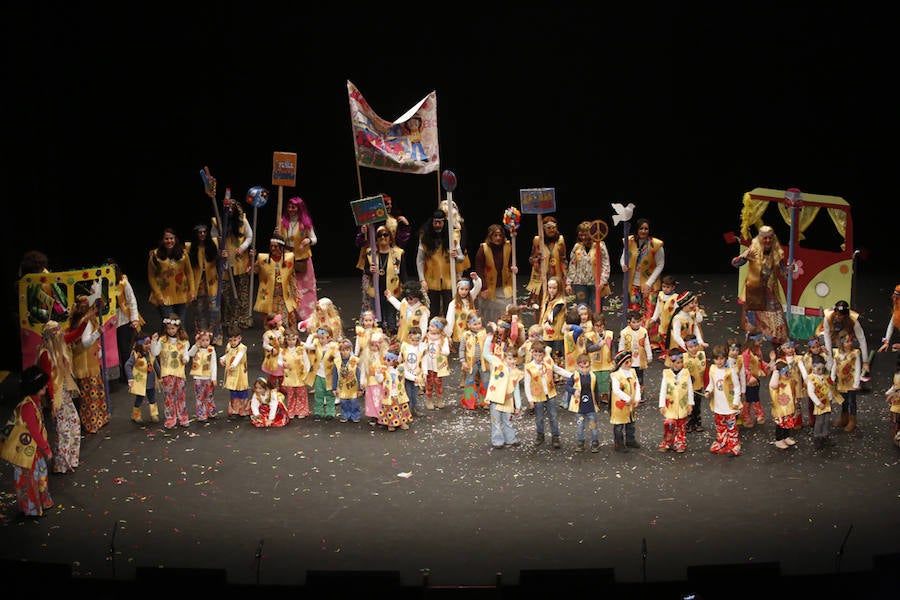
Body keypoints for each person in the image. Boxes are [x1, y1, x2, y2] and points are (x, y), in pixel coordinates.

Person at [0, 366, 53, 518]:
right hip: (25, 454)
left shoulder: (35, 402)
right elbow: (34, 431)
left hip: (33, 452)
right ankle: (32, 509)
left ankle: (42, 503)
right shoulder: (28, 406)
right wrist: (46, 448)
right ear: (35, 386)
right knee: (28, 481)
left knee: (40, 477)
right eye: (42, 384)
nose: (45, 386)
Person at [34, 320, 83, 473]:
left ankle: (71, 460)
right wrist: (52, 402)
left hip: (64, 391)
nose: (62, 337)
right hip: (56, 395)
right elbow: (47, 380)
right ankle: (61, 464)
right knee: (63, 430)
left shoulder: (59, 344)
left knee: (74, 422)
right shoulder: (46, 355)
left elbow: (75, 334)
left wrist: (87, 318)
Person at [730, 225, 788, 344]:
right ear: (760, 238)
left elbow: (783, 270)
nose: (767, 240)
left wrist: (787, 271)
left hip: (770, 292)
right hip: (754, 293)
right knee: (752, 324)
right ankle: (750, 350)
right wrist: (743, 256)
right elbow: (735, 263)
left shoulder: (776, 252)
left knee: (777, 323)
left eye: (770, 238)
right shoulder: (753, 250)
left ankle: (780, 349)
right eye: (765, 238)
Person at [67, 296, 110, 435]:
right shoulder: (85, 322)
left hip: (91, 362)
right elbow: (85, 343)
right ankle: (91, 423)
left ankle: (98, 419)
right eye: (96, 308)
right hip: (85, 365)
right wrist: (98, 333)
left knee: (95, 392)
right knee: (89, 396)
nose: (98, 311)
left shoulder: (89, 320)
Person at [620, 218, 665, 349]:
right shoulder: (629, 241)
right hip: (633, 283)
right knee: (635, 312)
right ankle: (635, 339)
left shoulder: (655, 244)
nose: (643, 231)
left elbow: (660, 264)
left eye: (646, 228)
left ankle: (651, 342)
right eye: (641, 228)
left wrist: (649, 283)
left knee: (650, 313)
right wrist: (623, 264)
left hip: (650, 284)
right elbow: (624, 256)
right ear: (637, 229)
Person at [357, 224, 406, 336]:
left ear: (390, 237)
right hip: (376, 292)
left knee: (391, 319)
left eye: (385, 235)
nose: (383, 237)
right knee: (378, 320)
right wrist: (370, 270)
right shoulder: (370, 252)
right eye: (379, 235)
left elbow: (403, 273)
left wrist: (407, 290)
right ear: (376, 238)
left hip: (392, 291)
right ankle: (379, 342)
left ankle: (392, 341)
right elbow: (366, 270)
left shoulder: (398, 253)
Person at [523, 339, 572, 449]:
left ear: (544, 354)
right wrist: (530, 399)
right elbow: (527, 384)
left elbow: (559, 370)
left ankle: (555, 436)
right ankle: (540, 435)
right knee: (539, 417)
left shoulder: (548, 363)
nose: (538, 357)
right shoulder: (529, 367)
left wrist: (572, 375)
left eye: (540, 354)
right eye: (535, 354)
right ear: (532, 353)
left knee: (553, 416)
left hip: (550, 394)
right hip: (537, 396)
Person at [416, 208, 465, 318]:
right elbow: (419, 260)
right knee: (433, 310)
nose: (437, 225)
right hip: (431, 279)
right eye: (435, 222)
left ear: (444, 222)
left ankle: (449, 332)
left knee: (450, 308)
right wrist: (422, 279)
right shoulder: (424, 237)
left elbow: (461, 258)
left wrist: (456, 257)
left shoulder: (453, 236)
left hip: (449, 279)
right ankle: (433, 332)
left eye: (440, 222)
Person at [482, 331, 524, 450]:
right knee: (496, 421)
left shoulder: (516, 372)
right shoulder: (497, 363)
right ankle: (497, 440)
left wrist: (518, 405)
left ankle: (510, 438)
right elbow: (486, 354)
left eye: (515, 359)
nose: (513, 362)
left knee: (508, 420)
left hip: (508, 400)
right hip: (496, 398)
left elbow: (515, 389)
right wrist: (488, 340)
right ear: (505, 357)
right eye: (510, 359)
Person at [280, 195, 319, 321]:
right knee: (290, 286)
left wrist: (307, 240)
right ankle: (293, 315)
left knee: (305, 288)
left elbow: (314, 239)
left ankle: (307, 314)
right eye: (289, 207)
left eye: (294, 207)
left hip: (302, 258)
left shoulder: (305, 223)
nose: (291, 209)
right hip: (288, 257)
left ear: (299, 208)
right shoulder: (283, 223)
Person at [218, 198, 254, 331]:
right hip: (227, 264)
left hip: (240, 263)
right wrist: (220, 251)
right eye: (228, 208)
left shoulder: (242, 221)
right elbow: (214, 239)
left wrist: (243, 247)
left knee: (242, 292)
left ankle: (243, 319)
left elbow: (250, 236)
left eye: (232, 208)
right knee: (226, 294)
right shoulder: (219, 222)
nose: (230, 211)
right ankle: (228, 320)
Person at [253, 232, 299, 331]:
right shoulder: (263, 259)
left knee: (284, 322)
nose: (273, 248)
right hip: (270, 297)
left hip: (283, 296)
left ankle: (286, 340)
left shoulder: (288, 258)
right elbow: (252, 271)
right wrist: (251, 258)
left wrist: (295, 292)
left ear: (281, 247)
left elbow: (292, 275)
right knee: (271, 323)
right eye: (271, 246)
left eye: (275, 246)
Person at [147, 227, 195, 323]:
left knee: (180, 325)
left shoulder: (183, 254)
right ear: (162, 240)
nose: (169, 241)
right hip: (164, 296)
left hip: (181, 295)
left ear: (175, 239)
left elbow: (189, 272)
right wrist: (158, 294)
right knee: (169, 325)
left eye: (171, 238)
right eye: (166, 238)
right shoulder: (155, 255)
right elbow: (151, 276)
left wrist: (192, 290)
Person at [108, 259, 144, 384]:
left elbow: (131, 300)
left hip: (123, 319)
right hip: (108, 322)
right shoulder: (101, 284)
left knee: (124, 348)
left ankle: (128, 374)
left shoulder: (123, 282)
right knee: (113, 349)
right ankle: (116, 374)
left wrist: (134, 319)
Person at [152, 313, 190, 428]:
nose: (170, 331)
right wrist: (154, 342)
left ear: (178, 328)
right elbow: (155, 353)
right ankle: (170, 418)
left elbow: (186, 354)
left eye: (173, 328)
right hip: (167, 372)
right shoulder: (162, 340)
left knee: (181, 396)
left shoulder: (183, 341)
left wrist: (185, 359)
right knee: (168, 396)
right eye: (168, 328)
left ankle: (183, 417)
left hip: (179, 373)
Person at [565, 220, 611, 313]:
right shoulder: (577, 247)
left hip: (596, 283)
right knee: (582, 310)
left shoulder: (599, 245)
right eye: (581, 235)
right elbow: (573, 265)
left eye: (585, 235)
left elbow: (606, 264)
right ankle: (584, 327)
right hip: (580, 283)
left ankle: (595, 327)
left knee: (596, 309)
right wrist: (569, 283)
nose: (583, 237)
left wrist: (603, 281)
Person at [475, 224, 516, 326]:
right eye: (495, 235)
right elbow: (479, 269)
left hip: (504, 287)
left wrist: (513, 268)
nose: (498, 238)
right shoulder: (483, 249)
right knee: (489, 316)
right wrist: (483, 288)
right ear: (490, 236)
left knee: (505, 314)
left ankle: (504, 335)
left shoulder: (508, 246)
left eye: (500, 235)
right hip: (488, 288)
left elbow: (511, 261)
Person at [704, 345, 742, 456]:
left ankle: (734, 444)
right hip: (718, 405)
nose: (719, 361)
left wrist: (736, 401)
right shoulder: (712, 369)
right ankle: (721, 442)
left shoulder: (731, 371)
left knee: (731, 426)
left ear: (725, 358)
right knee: (720, 426)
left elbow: (737, 387)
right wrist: (708, 391)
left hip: (729, 405)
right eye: (717, 359)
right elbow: (712, 384)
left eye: (721, 358)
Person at [525, 215, 567, 309]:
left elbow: (563, 259)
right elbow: (531, 258)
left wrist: (565, 277)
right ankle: (540, 323)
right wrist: (537, 260)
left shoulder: (560, 240)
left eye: (553, 228)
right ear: (543, 229)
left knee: (556, 303)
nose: (551, 230)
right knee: (540, 304)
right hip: (541, 277)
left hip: (556, 276)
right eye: (548, 228)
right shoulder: (537, 240)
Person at [819, 300, 870, 375]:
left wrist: (865, 361)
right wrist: (830, 358)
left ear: (845, 315)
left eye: (840, 316)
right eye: (836, 314)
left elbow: (862, 339)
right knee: (821, 341)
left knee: (853, 345)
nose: (837, 317)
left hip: (844, 337)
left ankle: (844, 356)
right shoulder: (828, 317)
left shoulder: (853, 320)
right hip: (832, 336)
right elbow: (827, 336)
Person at [186, 223, 219, 336]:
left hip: (212, 281)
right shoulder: (190, 248)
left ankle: (214, 334)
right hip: (198, 283)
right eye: (200, 232)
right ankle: (202, 335)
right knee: (200, 310)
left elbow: (220, 263)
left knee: (214, 308)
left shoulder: (213, 245)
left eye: (204, 232)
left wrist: (223, 257)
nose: (202, 234)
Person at [657, 350, 693, 453]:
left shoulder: (686, 373)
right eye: (677, 363)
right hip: (671, 405)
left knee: (681, 425)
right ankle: (667, 441)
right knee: (670, 424)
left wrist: (690, 403)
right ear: (672, 362)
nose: (680, 364)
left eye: (681, 362)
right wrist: (661, 405)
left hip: (682, 404)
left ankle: (679, 442)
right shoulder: (667, 374)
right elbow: (663, 389)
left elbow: (689, 389)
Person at [566, 352, 603, 453]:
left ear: (590, 366)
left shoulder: (593, 376)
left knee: (593, 426)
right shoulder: (574, 376)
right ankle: (580, 442)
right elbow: (567, 386)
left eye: (587, 367)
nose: (584, 370)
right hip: (580, 409)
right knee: (580, 426)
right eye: (582, 367)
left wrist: (597, 403)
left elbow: (596, 390)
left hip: (591, 408)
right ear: (578, 366)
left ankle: (595, 442)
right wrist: (574, 391)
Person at [303, 324, 340, 422]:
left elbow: (338, 360)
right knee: (319, 394)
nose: (320, 340)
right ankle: (318, 412)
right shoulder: (316, 344)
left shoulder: (334, 347)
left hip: (329, 376)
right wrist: (312, 336)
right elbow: (307, 346)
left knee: (330, 395)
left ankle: (330, 412)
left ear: (329, 337)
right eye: (319, 338)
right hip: (319, 374)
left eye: (323, 338)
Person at [740, 329, 775, 428]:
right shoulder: (746, 353)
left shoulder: (757, 350)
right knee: (748, 398)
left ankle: (758, 414)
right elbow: (744, 367)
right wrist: (749, 377)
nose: (761, 342)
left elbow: (760, 361)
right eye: (759, 340)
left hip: (756, 378)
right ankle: (746, 416)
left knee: (755, 397)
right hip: (749, 381)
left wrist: (768, 365)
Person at [124, 334, 161, 424]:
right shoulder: (136, 355)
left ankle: (154, 414)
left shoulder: (151, 354)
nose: (148, 345)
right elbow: (127, 365)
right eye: (146, 344)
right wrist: (130, 378)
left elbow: (156, 365)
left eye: (149, 343)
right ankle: (136, 415)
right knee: (139, 398)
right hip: (140, 382)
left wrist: (160, 376)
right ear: (139, 344)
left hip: (150, 381)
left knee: (152, 398)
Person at [610, 349, 642, 453]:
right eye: (626, 362)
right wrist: (627, 398)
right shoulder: (616, 375)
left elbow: (636, 385)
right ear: (621, 364)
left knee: (631, 423)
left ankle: (630, 440)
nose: (629, 364)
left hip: (631, 404)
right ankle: (618, 443)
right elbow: (616, 390)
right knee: (619, 425)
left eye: (630, 361)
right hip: (621, 404)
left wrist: (637, 398)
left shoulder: (632, 372)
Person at [445, 274, 482, 358]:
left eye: (466, 289)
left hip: (472, 331)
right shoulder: (453, 304)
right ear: (458, 289)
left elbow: (477, 287)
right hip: (460, 335)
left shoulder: (471, 298)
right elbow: (450, 320)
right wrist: (448, 335)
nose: (464, 292)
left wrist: (476, 279)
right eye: (461, 289)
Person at [806, 353, 839, 449]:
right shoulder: (811, 379)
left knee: (827, 420)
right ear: (813, 367)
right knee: (820, 421)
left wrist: (831, 397)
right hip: (820, 404)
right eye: (818, 369)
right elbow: (811, 393)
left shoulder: (824, 376)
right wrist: (818, 403)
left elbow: (829, 386)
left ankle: (825, 436)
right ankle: (817, 438)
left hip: (827, 403)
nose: (821, 371)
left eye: (822, 369)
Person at [831, 332, 862, 433]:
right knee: (844, 401)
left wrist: (856, 383)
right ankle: (844, 418)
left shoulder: (855, 353)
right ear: (842, 343)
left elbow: (857, 368)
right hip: (841, 382)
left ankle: (852, 420)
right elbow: (835, 366)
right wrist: (832, 377)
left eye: (850, 341)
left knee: (852, 401)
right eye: (846, 342)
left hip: (851, 382)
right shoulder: (837, 353)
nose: (848, 344)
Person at [187, 328, 218, 422]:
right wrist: (196, 345)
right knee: (200, 396)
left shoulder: (211, 350)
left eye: (207, 340)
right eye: (202, 340)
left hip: (208, 376)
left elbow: (213, 364)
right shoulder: (196, 349)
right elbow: (189, 354)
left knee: (209, 395)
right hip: (198, 377)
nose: (205, 342)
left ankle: (211, 411)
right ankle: (201, 414)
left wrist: (214, 377)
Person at [279, 329, 311, 419]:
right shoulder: (283, 351)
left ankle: (302, 410)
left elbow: (306, 361)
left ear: (297, 339)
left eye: (293, 339)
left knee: (301, 394)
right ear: (286, 340)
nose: (291, 342)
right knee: (291, 394)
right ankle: (291, 410)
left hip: (300, 376)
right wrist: (282, 364)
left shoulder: (301, 349)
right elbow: (278, 360)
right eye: (289, 340)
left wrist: (306, 372)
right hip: (289, 376)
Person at [769, 359, 800, 449]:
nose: (787, 374)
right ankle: (779, 440)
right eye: (784, 373)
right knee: (780, 425)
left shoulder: (790, 381)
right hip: (780, 409)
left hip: (789, 408)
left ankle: (786, 437)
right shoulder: (776, 383)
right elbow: (773, 385)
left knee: (788, 424)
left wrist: (795, 402)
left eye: (788, 372)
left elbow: (793, 393)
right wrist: (775, 371)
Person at [378, 351, 414, 432]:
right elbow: (379, 380)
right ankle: (390, 423)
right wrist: (378, 373)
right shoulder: (384, 370)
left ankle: (402, 422)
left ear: (394, 360)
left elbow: (407, 375)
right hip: (389, 394)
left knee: (401, 408)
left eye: (388, 360)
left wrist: (414, 378)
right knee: (390, 409)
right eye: (385, 359)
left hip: (399, 393)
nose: (386, 361)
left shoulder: (400, 369)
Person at [421, 316, 451, 410]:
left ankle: (439, 399)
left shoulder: (443, 339)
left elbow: (447, 352)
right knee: (429, 383)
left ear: (439, 328)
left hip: (438, 365)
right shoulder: (426, 337)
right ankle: (429, 399)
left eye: (433, 326)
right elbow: (422, 349)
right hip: (429, 364)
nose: (430, 328)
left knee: (438, 383)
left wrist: (441, 349)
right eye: (430, 325)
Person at [386, 280, 429, 345]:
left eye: (411, 298)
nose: (409, 300)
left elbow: (424, 327)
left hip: (415, 341)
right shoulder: (404, 303)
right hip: (402, 338)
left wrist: (419, 340)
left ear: (417, 297)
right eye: (407, 298)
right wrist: (390, 297)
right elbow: (398, 305)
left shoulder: (422, 310)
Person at [220, 327, 251, 418]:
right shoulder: (229, 346)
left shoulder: (242, 348)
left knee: (242, 391)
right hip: (232, 373)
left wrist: (233, 364)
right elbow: (228, 354)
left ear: (239, 338)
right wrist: (222, 359)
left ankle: (243, 410)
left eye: (235, 340)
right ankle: (234, 410)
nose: (233, 342)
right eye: (230, 340)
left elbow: (238, 356)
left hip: (240, 373)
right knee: (233, 391)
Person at [460, 313, 488, 410]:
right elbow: (462, 350)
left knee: (485, 381)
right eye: (474, 324)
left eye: (479, 323)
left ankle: (484, 401)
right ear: (468, 325)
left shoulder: (484, 333)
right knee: (469, 381)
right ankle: (469, 402)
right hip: (471, 363)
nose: (477, 326)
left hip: (484, 362)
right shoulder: (466, 335)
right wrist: (463, 361)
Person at [619, 309, 653, 387]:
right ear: (628, 322)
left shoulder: (643, 331)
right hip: (628, 359)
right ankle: (631, 394)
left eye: (638, 322)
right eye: (634, 322)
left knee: (640, 377)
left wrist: (649, 355)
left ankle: (640, 394)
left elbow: (647, 344)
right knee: (629, 377)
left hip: (640, 359)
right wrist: (621, 357)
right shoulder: (624, 332)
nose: (637, 324)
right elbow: (621, 345)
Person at [648, 274, 678, 360]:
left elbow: (676, 310)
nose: (665, 289)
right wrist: (654, 318)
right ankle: (664, 351)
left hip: (670, 322)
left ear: (673, 287)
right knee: (662, 335)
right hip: (662, 321)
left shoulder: (675, 297)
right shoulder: (660, 294)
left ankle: (669, 352)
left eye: (668, 287)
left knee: (669, 337)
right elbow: (658, 307)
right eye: (663, 286)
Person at [682, 335, 709, 433]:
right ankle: (689, 423)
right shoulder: (683, 358)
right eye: (691, 347)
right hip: (687, 388)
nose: (694, 349)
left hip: (698, 386)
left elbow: (706, 373)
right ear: (686, 348)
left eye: (696, 346)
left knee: (697, 406)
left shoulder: (702, 355)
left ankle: (697, 423)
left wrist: (707, 387)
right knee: (689, 406)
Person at [538, 275, 567, 363]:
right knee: (547, 352)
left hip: (557, 332)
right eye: (550, 288)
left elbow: (553, 314)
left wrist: (547, 322)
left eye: (554, 288)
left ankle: (559, 372)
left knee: (557, 353)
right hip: (547, 332)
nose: (551, 290)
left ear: (559, 288)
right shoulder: (547, 299)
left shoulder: (560, 301)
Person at [335, 338, 362, 423]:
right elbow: (335, 375)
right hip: (342, 386)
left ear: (350, 350)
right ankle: (345, 414)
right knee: (343, 402)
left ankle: (355, 415)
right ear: (340, 351)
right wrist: (333, 388)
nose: (345, 352)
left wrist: (360, 389)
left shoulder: (355, 360)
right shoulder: (337, 361)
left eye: (347, 350)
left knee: (354, 402)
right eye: (343, 350)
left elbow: (358, 374)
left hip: (353, 386)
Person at [399, 329, 425, 416]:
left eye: (417, 340)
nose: (415, 342)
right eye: (413, 340)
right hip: (406, 375)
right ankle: (407, 411)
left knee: (414, 395)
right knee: (407, 394)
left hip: (417, 375)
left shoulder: (421, 348)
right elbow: (400, 359)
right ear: (409, 338)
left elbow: (424, 362)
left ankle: (413, 409)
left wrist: (425, 373)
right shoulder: (405, 347)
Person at [260, 313, 285, 390]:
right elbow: (265, 345)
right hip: (274, 356)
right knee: (274, 373)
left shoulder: (281, 330)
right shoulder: (268, 335)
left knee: (281, 372)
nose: (281, 322)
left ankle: (282, 386)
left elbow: (283, 338)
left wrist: (283, 341)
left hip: (281, 353)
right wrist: (272, 349)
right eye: (279, 321)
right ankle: (272, 386)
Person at [877, 284, 900, 352]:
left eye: (897, 298)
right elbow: (891, 325)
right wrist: (886, 341)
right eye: (894, 297)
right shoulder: (897, 309)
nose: (894, 300)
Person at [886, 356, 900, 447]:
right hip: (896, 403)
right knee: (896, 420)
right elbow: (895, 386)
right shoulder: (897, 375)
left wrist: (893, 394)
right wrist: (889, 393)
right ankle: (896, 435)